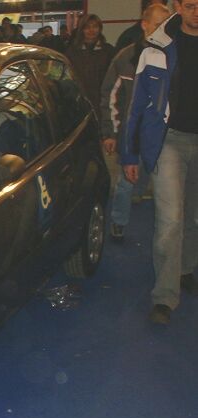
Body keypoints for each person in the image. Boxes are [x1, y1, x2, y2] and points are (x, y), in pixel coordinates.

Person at [121, 2, 198, 325]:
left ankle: (185, 269)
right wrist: (128, 152)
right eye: (191, 5)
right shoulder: (158, 45)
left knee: (192, 216)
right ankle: (165, 297)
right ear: (178, 7)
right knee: (170, 219)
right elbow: (136, 102)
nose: (197, 11)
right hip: (170, 141)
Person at [101, 3, 171, 242]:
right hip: (134, 134)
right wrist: (110, 132)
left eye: (166, 24)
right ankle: (119, 222)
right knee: (125, 183)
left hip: (166, 136)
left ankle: (168, 233)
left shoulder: (174, 57)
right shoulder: (126, 57)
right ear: (144, 25)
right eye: (157, 24)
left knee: (168, 189)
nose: (162, 29)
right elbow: (110, 95)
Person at [66, 14, 115, 115]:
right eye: (87, 27)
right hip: (78, 103)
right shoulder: (72, 52)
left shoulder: (108, 51)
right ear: (81, 29)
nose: (91, 30)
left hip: (103, 102)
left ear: (100, 28)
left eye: (95, 26)